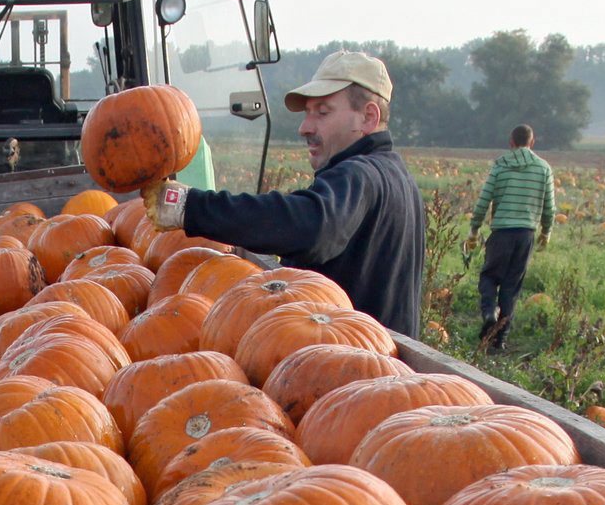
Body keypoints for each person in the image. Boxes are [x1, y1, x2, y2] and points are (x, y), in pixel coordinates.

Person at [147, 49, 424, 335]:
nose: (305, 127)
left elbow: (309, 226)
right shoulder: (396, 175)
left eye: (323, 112)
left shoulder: (360, 175)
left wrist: (190, 207)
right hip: (378, 359)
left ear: (367, 117)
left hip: (350, 359)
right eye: (307, 113)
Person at [468, 123, 556, 346]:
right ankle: (500, 338)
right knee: (511, 285)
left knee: (489, 276)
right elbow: (549, 208)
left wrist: (474, 230)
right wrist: (547, 231)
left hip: (501, 233)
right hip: (526, 234)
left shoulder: (500, 166)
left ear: (511, 142)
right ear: (532, 142)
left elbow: (483, 202)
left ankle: (489, 313)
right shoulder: (543, 168)